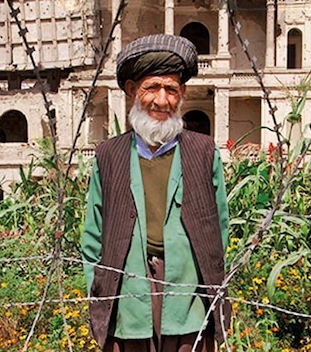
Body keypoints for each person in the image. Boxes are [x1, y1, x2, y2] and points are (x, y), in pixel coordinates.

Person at [81, 34, 231, 352]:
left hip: (188, 296)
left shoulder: (203, 152)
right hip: (127, 296)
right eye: (152, 88)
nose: (161, 101)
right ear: (133, 90)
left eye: (171, 90)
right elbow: (93, 236)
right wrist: (99, 292)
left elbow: (220, 226)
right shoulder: (109, 155)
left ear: (182, 95)